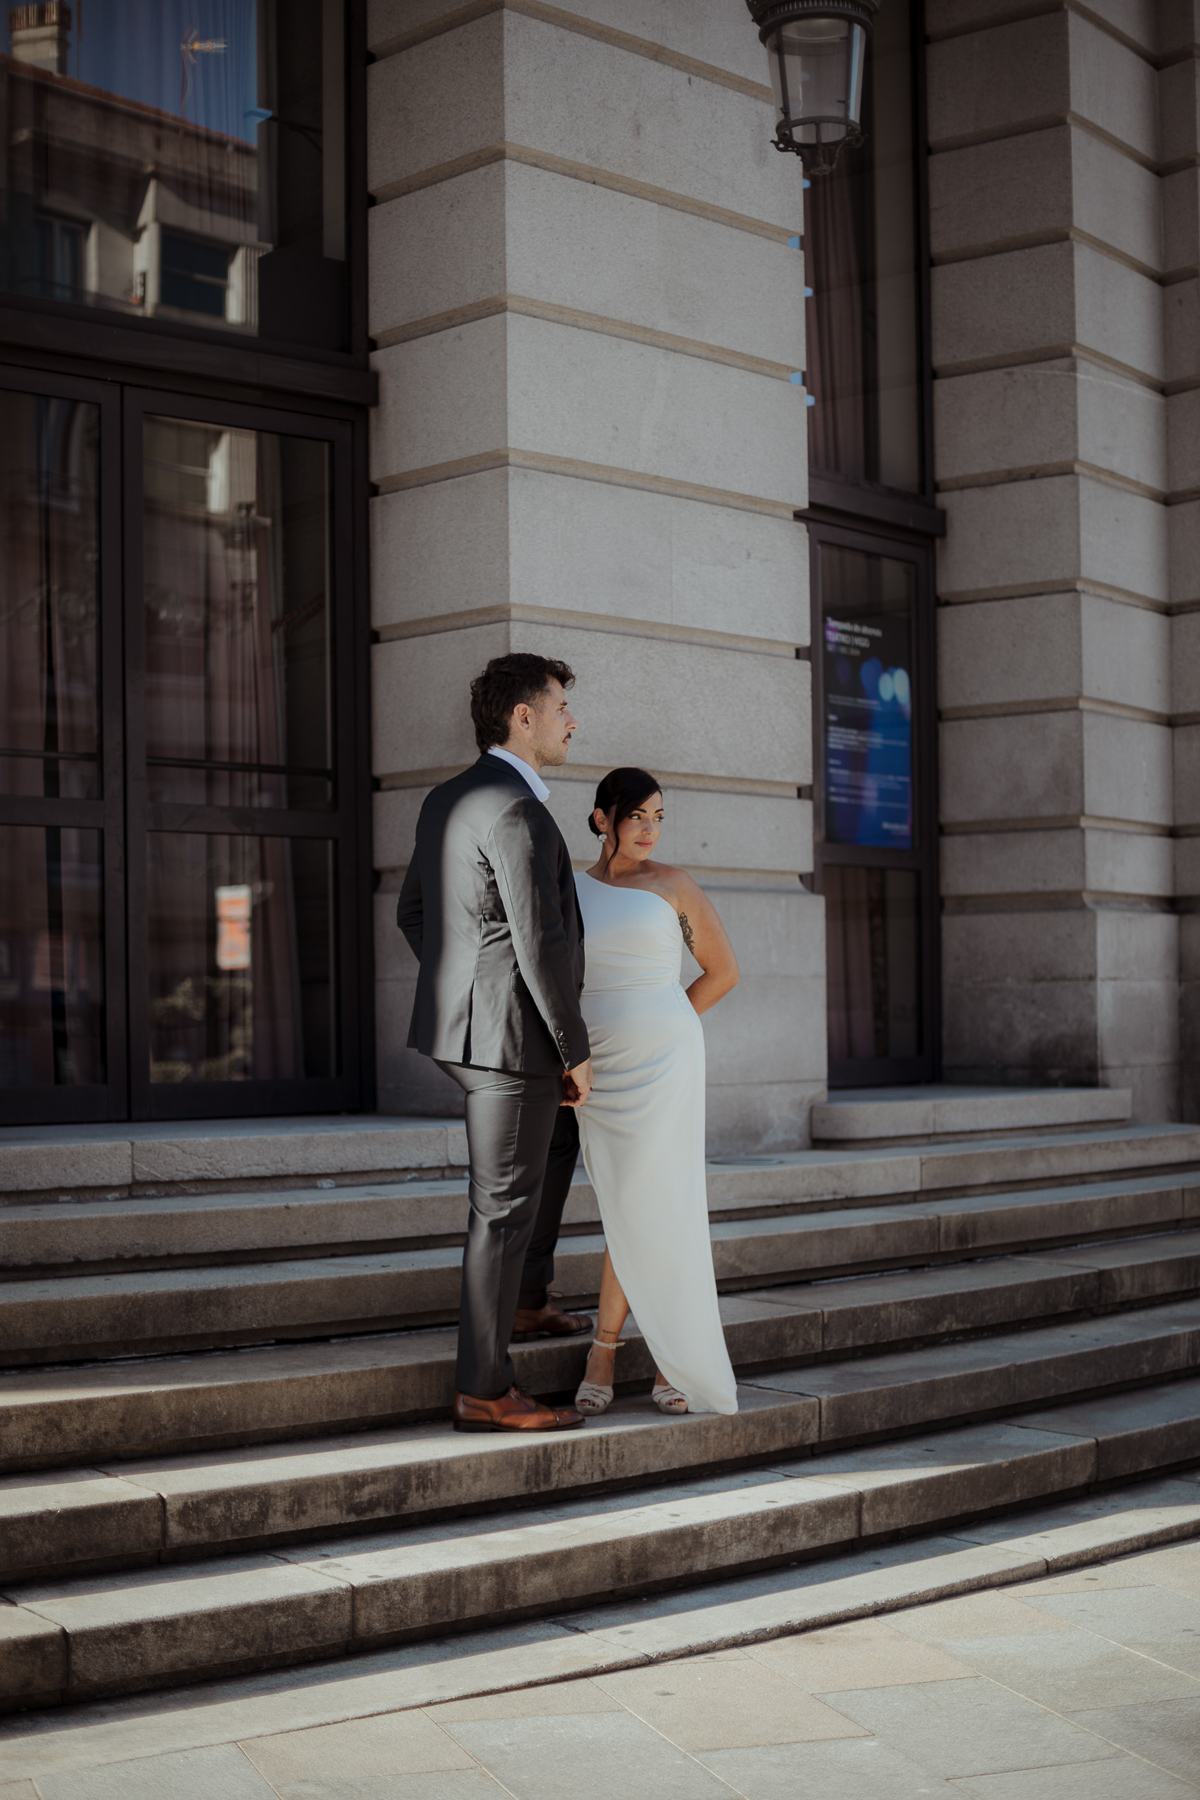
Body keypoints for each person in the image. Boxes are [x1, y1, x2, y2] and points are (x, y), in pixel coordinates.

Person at [396, 653, 594, 1433]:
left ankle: (528, 1300)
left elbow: (414, 915)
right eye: (560, 708)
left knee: (556, 1143)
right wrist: (571, 1048)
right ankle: (484, 1387)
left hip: (478, 1029)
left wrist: (465, 989)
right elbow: (538, 942)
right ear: (523, 717)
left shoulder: (450, 797)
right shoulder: (513, 807)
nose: (571, 721)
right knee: (502, 1207)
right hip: (508, 1040)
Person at [572, 767, 740, 1417]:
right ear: (601, 819)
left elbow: (722, 973)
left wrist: (667, 1023)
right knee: (626, 1201)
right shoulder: (569, 891)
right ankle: (635, 1350)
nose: (649, 829)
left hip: (664, 1062)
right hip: (595, 1068)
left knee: (653, 1199)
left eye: (659, 817)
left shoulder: (675, 885)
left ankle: (613, 1352)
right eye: (637, 815)